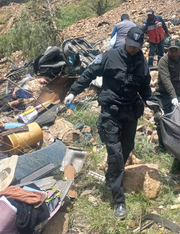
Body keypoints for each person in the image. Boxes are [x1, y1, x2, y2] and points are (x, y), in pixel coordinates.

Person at [64, 27, 154, 220]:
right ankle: (119, 201)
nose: (133, 50)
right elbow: (89, 73)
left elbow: (145, 88)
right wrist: (73, 91)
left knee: (126, 149)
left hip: (130, 113)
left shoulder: (142, 61)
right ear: (125, 42)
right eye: (130, 46)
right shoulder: (109, 57)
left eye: (137, 47)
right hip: (111, 113)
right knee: (115, 154)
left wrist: (153, 102)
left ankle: (110, 178)